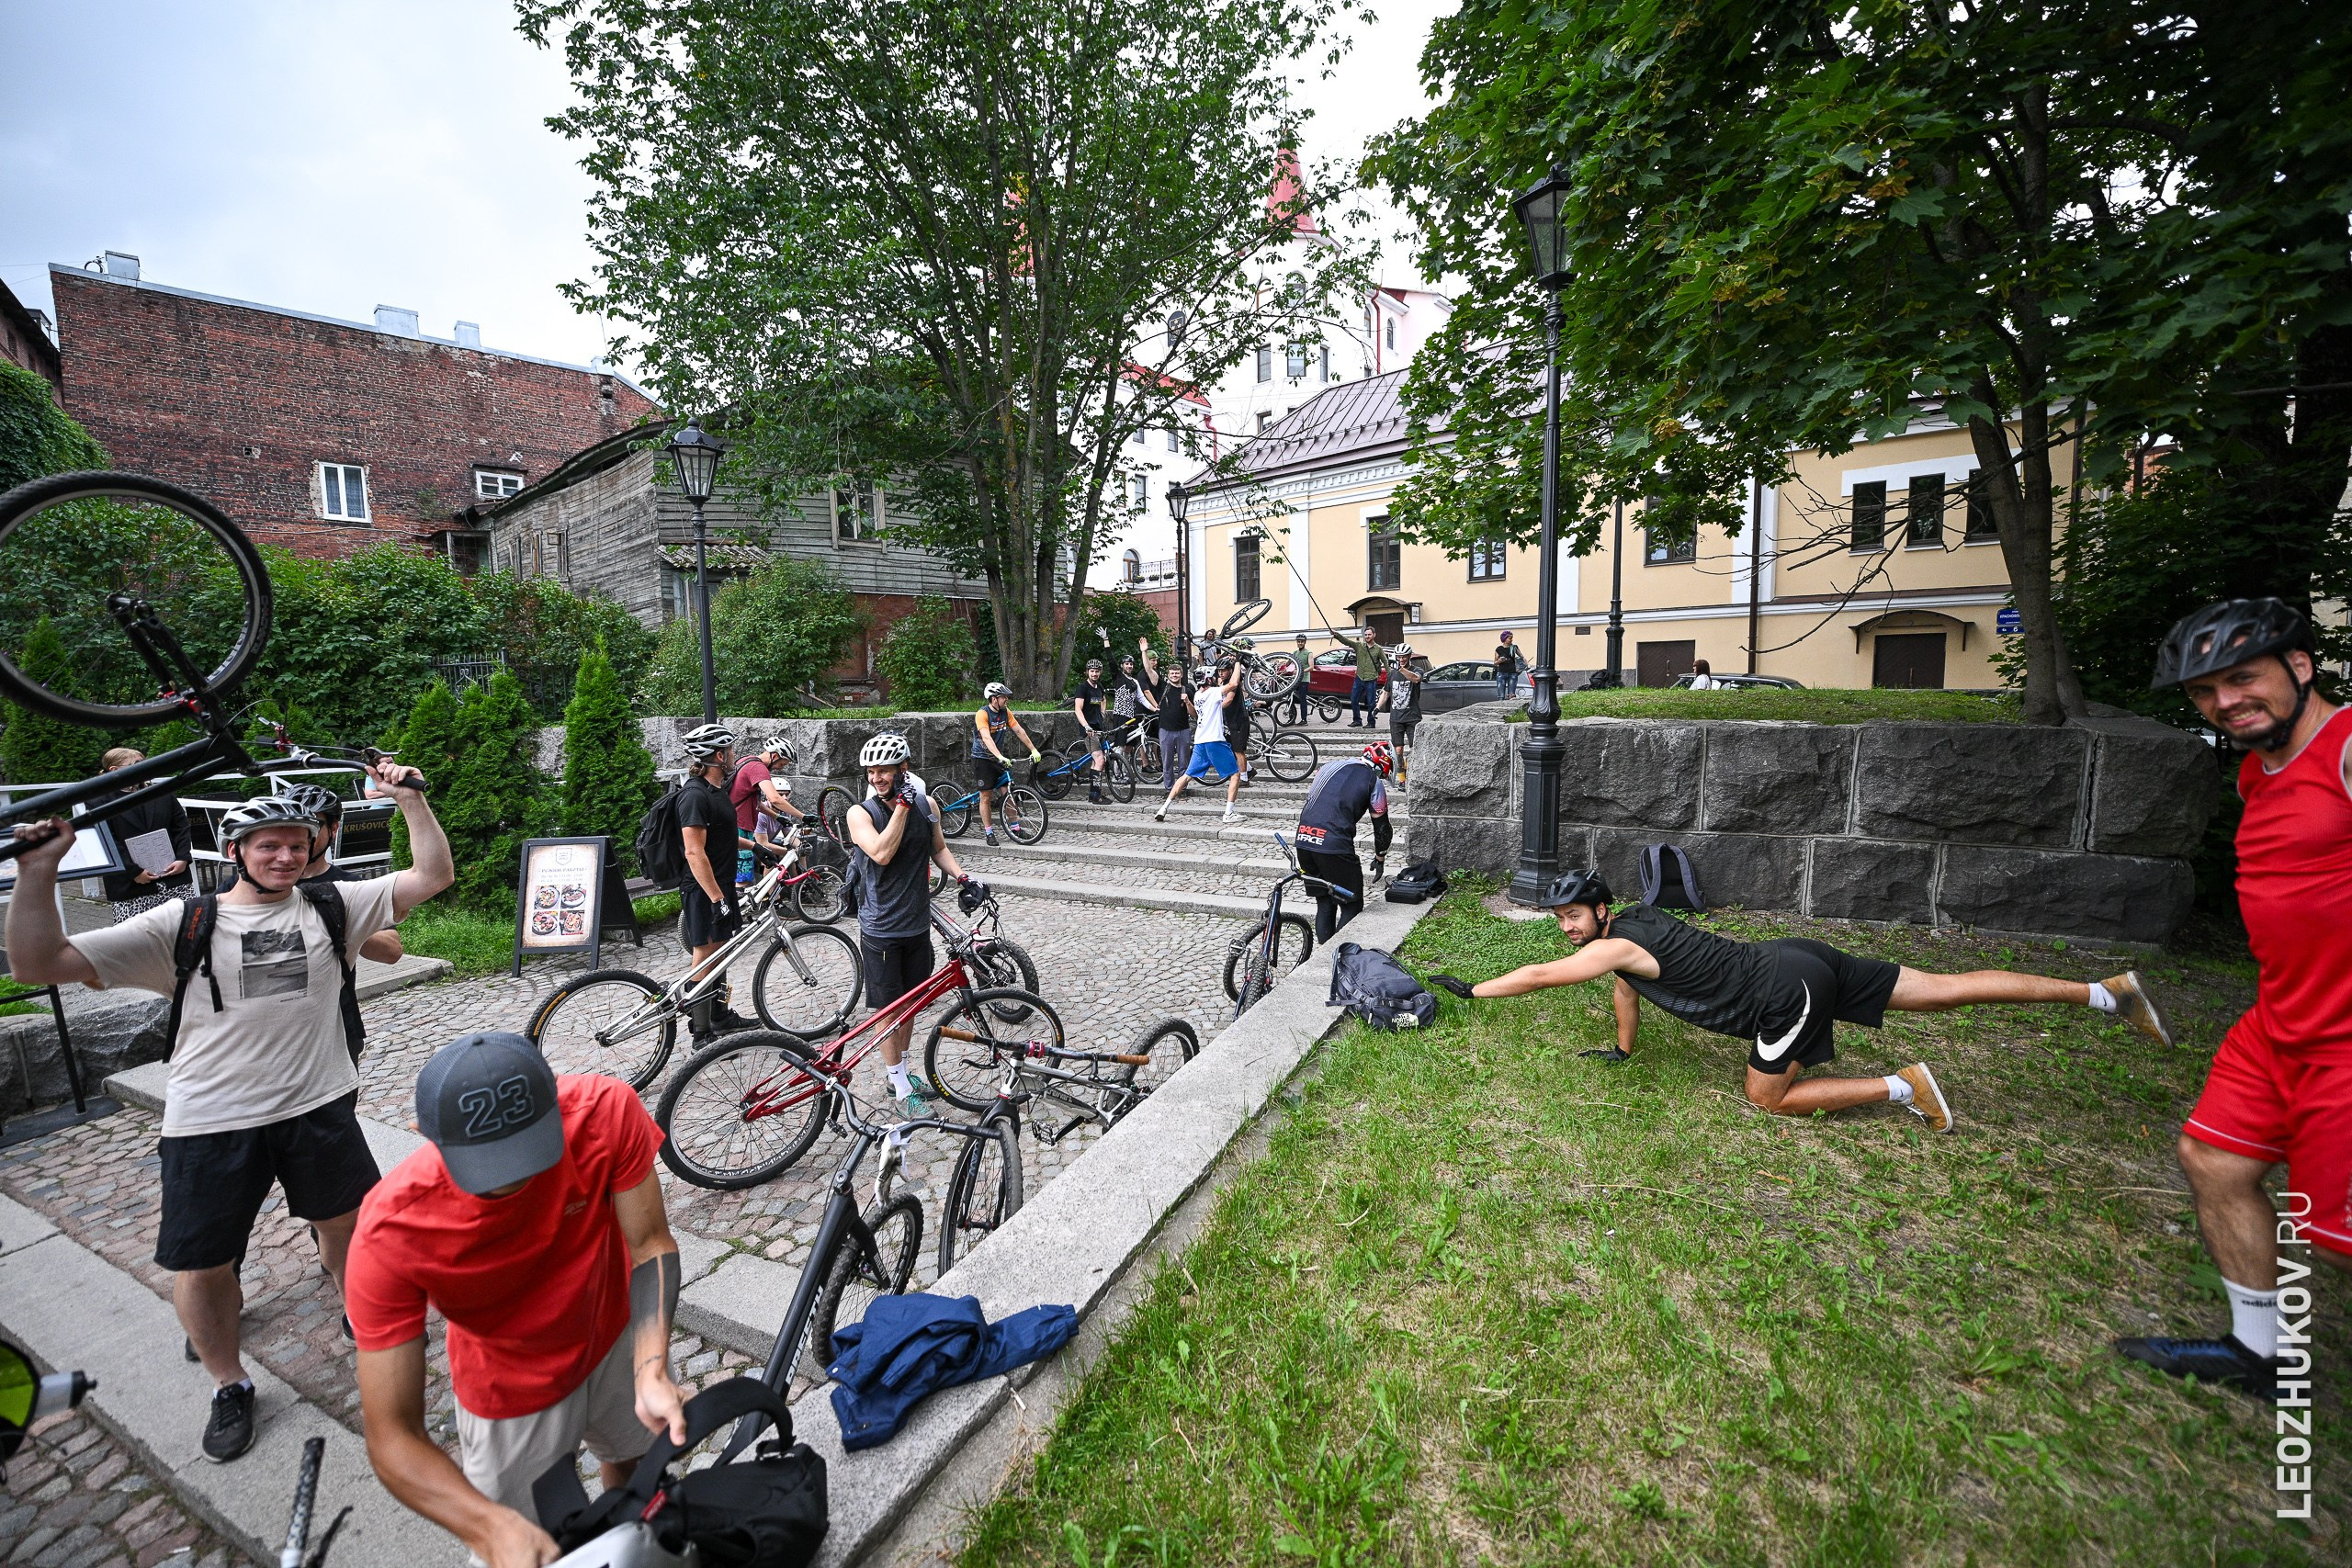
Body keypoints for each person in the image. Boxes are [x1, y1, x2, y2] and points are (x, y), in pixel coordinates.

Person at [3, 761, 450, 1463]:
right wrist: (38, 874)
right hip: (212, 1120)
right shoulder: (185, 921)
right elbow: (38, 963)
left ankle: (359, 1313)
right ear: (235, 849)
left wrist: (410, 799)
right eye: (266, 844)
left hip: (318, 1105)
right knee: (206, 1261)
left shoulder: (333, 905)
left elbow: (431, 877)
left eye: (296, 844)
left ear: (312, 849)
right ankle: (229, 1381)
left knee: (346, 1228)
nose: (283, 854)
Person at [1424, 869, 2171, 1133]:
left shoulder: (1611, 944)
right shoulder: (1628, 936)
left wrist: (1476, 990)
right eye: (1560, 921)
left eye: (1570, 917)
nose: (1565, 929)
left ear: (1599, 910)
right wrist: (1623, 1052)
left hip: (1784, 992)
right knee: (1942, 992)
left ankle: (1902, 1086)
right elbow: (1627, 992)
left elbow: (1538, 977)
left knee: (1767, 1098)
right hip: (1796, 958)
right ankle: (2105, 994)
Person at [2114, 599, 2352, 1397]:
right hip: (2281, 1019)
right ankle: (2264, 1356)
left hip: (2345, 1039)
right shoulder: (2258, 769)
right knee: (2214, 1160)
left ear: (2301, 665)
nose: (2225, 703)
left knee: (2337, 1229)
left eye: (2242, 679)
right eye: (2205, 693)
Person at [350, 1033, 687, 1567]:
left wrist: (651, 1367)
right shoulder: (390, 1231)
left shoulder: (604, 1110)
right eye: (489, 1167)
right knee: (521, 1543)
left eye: (528, 1153)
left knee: (636, 1470)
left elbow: (649, 1245)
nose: (513, 1181)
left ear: (559, 1104)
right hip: (509, 1389)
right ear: (422, 1135)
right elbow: (392, 1432)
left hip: (613, 1337)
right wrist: (486, 1527)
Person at [845, 733, 979, 1113]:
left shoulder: (927, 804)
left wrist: (964, 878)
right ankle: (901, 1087)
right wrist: (901, 808)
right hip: (881, 929)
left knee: (911, 1006)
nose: (877, 777)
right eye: (872, 771)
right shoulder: (861, 814)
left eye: (884, 770)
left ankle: (900, 1073)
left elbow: (939, 848)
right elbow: (882, 854)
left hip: (918, 925)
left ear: (903, 770)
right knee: (888, 1010)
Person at [674, 723, 754, 1041]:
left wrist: (759, 847)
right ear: (719, 756)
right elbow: (694, 852)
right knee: (704, 958)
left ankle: (721, 1015)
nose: (734, 755)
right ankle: (701, 1032)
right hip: (704, 891)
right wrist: (717, 899)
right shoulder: (693, 796)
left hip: (721, 887)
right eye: (731, 751)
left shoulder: (716, 792)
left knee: (722, 953)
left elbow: (723, 837)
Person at [1294, 742, 1395, 942]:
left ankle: (1322, 957)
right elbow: (1382, 829)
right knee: (1351, 905)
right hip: (1334, 845)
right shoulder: (1374, 782)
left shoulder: (1328, 767)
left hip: (1304, 838)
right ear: (1382, 766)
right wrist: (1379, 857)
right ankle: (1337, 958)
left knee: (1324, 903)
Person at [96, 747, 195, 921]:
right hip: (132, 886)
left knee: (186, 934)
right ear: (115, 770)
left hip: (174, 879)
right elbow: (106, 840)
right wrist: (133, 872)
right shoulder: (100, 802)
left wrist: (183, 858)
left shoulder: (162, 792)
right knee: (138, 943)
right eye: (137, 764)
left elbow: (181, 826)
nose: (145, 768)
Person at [1157, 660, 1245, 823]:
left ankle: (1164, 807)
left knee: (1187, 776)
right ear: (1208, 679)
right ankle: (1228, 814)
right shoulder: (1213, 693)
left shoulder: (1198, 695)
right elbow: (1233, 684)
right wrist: (1238, 662)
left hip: (1200, 741)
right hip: (1214, 740)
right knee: (1235, 774)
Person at [970, 682, 1043, 847]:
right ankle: (989, 832)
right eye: (1003, 697)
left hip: (998, 759)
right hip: (982, 759)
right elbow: (986, 737)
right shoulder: (982, 714)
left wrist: (1033, 749)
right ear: (994, 699)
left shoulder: (1005, 712)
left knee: (1008, 793)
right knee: (986, 796)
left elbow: (1019, 730)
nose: (1006, 699)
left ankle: (1015, 828)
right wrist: (998, 755)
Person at [729, 735, 806, 877]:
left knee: (740, 875)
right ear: (775, 756)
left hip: (737, 823)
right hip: (741, 826)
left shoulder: (747, 760)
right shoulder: (759, 768)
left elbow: (756, 803)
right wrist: (803, 816)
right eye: (782, 764)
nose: (780, 768)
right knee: (743, 878)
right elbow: (775, 799)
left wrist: (777, 817)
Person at [1140, 639, 1193, 785]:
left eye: (1177, 673)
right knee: (1167, 763)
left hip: (1183, 730)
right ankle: (1169, 788)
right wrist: (1144, 652)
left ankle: (1182, 788)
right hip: (1166, 730)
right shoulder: (1163, 686)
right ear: (1168, 675)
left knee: (1184, 763)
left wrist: (1188, 701)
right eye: (1172, 673)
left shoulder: (1187, 690)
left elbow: (1194, 714)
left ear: (1181, 674)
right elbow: (1149, 670)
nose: (1174, 675)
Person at [1072, 658, 1112, 804]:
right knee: (1100, 760)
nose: (1094, 674)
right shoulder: (1082, 688)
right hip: (1089, 731)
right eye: (1092, 671)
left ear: (1100, 672)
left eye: (1097, 671)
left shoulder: (1099, 687)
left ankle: (1093, 794)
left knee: (1097, 762)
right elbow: (1077, 709)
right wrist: (1086, 726)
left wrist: (1103, 712)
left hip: (1099, 728)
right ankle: (1096, 796)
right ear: (1087, 672)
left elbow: (1103, 699)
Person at [1333, 626, 1384, 726]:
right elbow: (1346, 641)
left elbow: (1385, 662)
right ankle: (1357, 720)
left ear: (1374, 635)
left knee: (1371, 703)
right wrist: (1336, 635)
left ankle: (1371, 722)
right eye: (1365, 635)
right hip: (1359, 678)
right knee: (1354, 700)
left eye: (1369, 634)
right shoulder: (1359, 646)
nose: (1367, 636)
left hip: (1371, 679)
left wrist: (1389, 674)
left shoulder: (1378, 649)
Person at [1387, 646, 1424, 781]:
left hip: (1413, 716)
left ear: (1409, 656)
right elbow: (1386, 692)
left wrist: (1401, 669)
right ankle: (1402, 779)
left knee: (1415, 749)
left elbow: (1416, 679)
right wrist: (1377, 708)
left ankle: (1412, 773)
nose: (1401, 659)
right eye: (1399, 657)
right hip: (1396, 717)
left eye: (1403, 657)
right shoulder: (1392, 673)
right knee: (1398, 751)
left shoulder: (1417, 670)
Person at [1494, 630, 1527, 699]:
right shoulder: (1499, 649)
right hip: (1501, 673)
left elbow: (1521, 656)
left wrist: (1525, 663)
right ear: (1504, 639)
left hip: (1512, 672)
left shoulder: (1514, 647)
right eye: (1509, 638)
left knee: (1512, 695)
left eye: (1512, 638)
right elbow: (1495, 662)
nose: (1511, 640)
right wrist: (1499, 661)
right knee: (1501, 695)